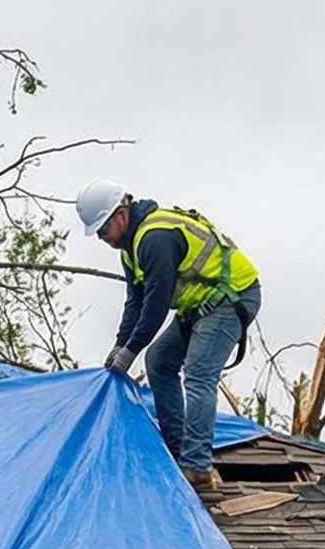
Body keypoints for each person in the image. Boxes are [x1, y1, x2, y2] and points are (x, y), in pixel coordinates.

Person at [74, 179, 263, 497]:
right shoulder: (131, 249)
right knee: (159, 361)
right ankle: (177, 451)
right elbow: (135, 302)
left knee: (199, 374)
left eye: (104, 230)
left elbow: (157, 304)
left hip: (231, 298)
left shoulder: (155, 237)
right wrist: (120, 345)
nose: (104, 238)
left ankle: (197, 467)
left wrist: (131, 349)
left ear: (121, 214)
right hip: (199, 305)